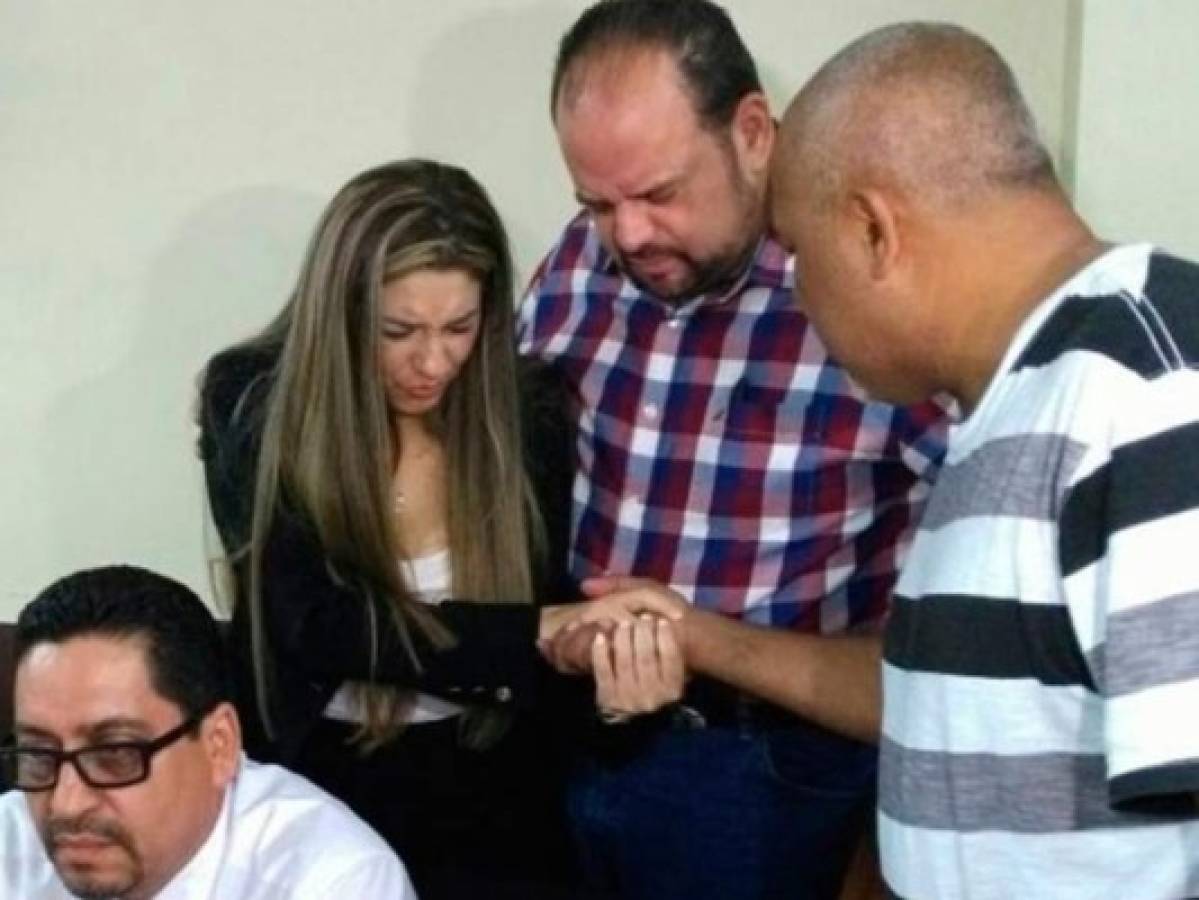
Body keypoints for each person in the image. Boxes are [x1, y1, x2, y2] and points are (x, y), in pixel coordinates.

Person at [521, 2, 950, 897]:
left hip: (772, 765)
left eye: (658, 194)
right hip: (574, 728)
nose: (628, 235)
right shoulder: (579, 261)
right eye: (597, 203)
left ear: (752, 132)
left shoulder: (864, 281)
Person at [770, 21, 1199, 900]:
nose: (796, 295)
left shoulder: (1150, 392)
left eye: (798, 256)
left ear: (872, 229)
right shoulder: (1007, 416)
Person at [197, 158, 666, 899]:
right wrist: (532, 630)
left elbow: (546, 660)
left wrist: (610, 679)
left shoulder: (528, 414)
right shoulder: (253, 402)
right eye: (398, 330)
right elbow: (314, 624)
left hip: (494, 793)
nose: (433, 361)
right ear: (339, 315)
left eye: (460, 328)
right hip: (319, 784)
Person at [0, 565, 414, 899]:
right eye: (38, 755)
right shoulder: (8, 848)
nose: (67, 804)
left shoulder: (333, 881)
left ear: (220, 745)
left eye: (114, 754)